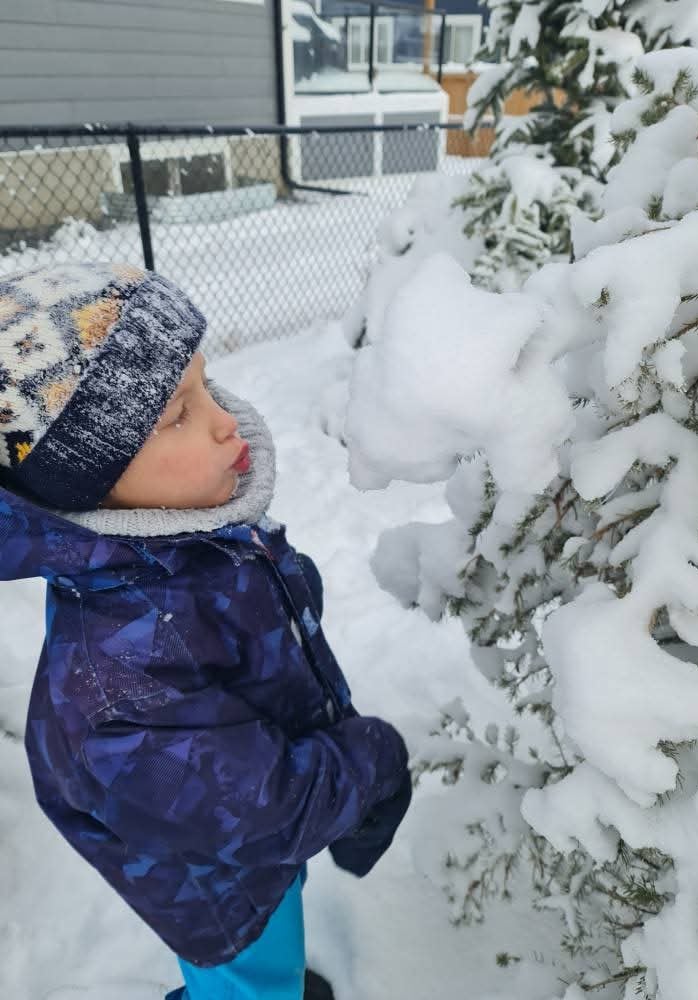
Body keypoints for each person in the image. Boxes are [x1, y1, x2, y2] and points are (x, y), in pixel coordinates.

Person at [0, 261, 412, 1000]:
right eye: (177, 415)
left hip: (243, 851)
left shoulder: (180, 543)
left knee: (268, 947)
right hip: (213, 887)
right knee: (249, 976)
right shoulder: (120, 675)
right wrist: (369, 761)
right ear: (89, 485)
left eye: (203, 383)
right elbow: (258, 807)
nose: (225, 418)